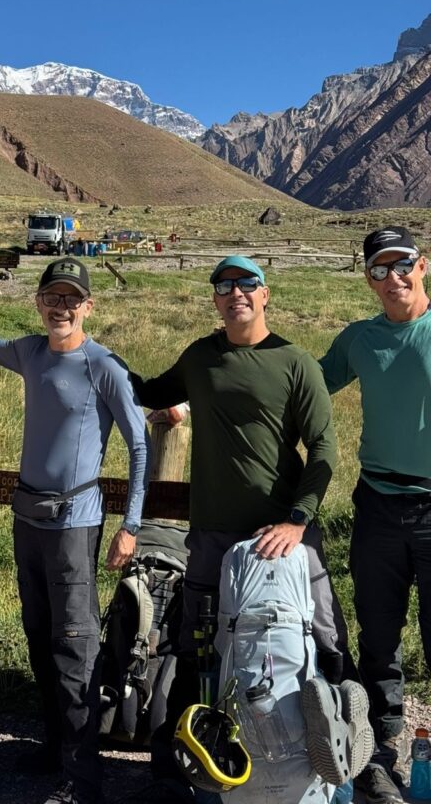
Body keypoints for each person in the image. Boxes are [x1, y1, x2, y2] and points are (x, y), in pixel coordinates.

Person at [131, 256, 350, 785]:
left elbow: (323, 449)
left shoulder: (295, 362)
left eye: (247, 284)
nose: (236, 293)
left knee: (322, 635)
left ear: (265, 294)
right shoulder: (200, 357)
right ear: (215, 299)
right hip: (212, 533)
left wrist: (298, 521)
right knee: (196, 642)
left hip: (283, 535)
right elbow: (152, 392)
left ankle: (343, 752)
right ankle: (182, 763)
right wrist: (95, 357)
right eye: (225, 286)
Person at [0, 257, 150, 804]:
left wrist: (130, 525)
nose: (62, 307)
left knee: (75, 647)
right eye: (52, 297)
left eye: (71, 299)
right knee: (39, 635)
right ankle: (54, 747)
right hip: (28, 519)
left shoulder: (103, 366)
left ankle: (83, 780)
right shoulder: (30, 352)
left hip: (74, 527)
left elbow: (138, 445)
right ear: (38, 303)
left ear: (88, 307)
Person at [320, 226, 431, 804]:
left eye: (402, 264)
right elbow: (306, 388)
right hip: (379, 503)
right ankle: (383, 750)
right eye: (380, 270)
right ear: (368, 280)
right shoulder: (359, 339)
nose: (394, 278)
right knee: (379, 632)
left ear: (423, 265)